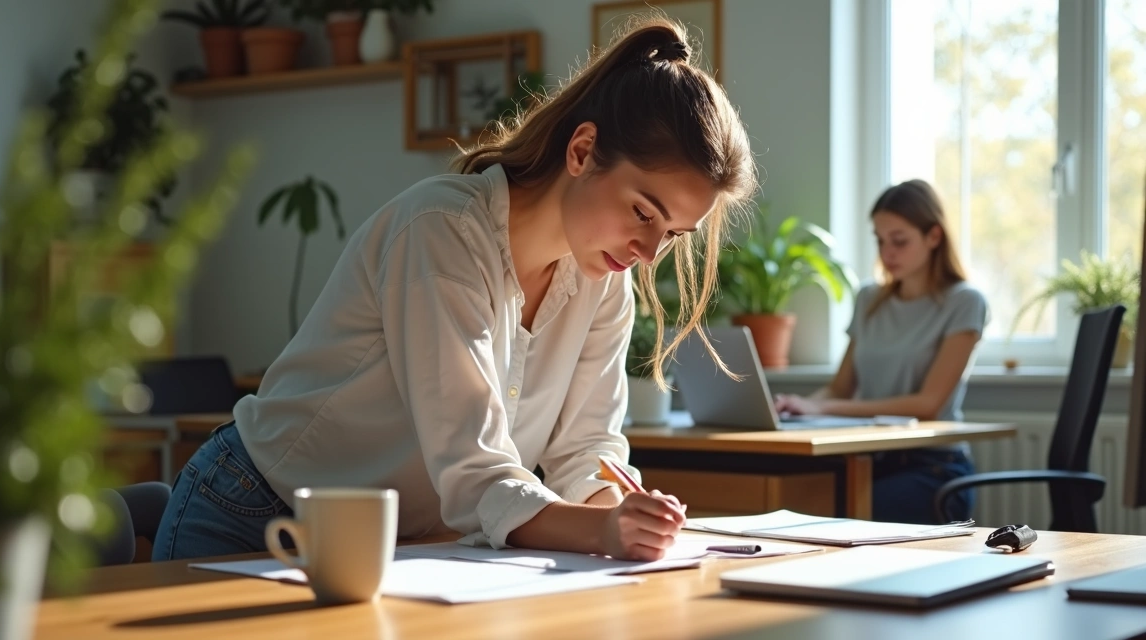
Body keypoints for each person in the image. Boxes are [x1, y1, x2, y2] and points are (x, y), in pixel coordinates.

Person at [152, 18, 758, 562]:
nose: (649, 253)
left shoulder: (604, 283)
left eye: (674, 234)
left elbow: (587, 450)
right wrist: (602, 533)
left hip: (404, 544)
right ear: (582, 151)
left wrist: (624, 514)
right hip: (256, 512)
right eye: (643, 213)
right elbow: (474, 472)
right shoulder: (442, 233)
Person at [773, 179, 989, 525]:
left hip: (933, 467)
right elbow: (840, 388)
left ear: (934, 236)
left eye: (899, 241)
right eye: (880, 240)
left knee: (829, 516)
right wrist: (798, 408)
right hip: (867, 460)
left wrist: (824, 407)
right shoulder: (869, 299)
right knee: (785, 498)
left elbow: (928, 405)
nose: (887, 253)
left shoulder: (964, 302)